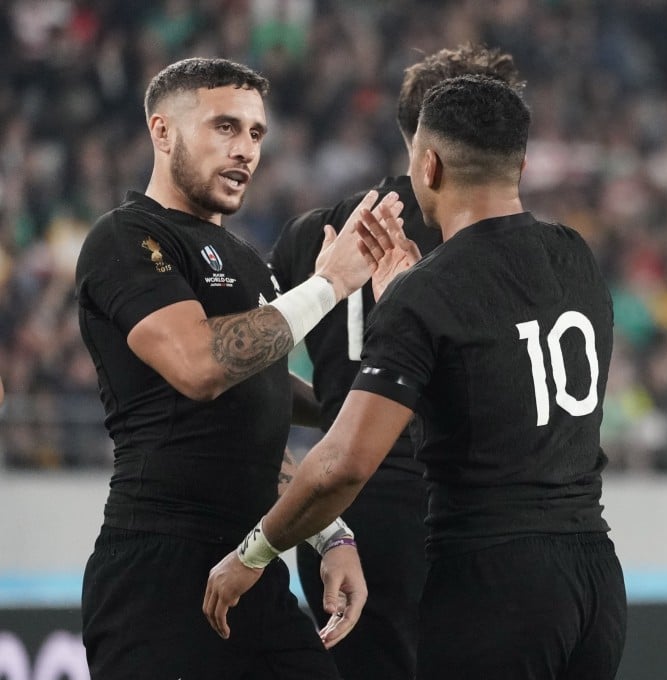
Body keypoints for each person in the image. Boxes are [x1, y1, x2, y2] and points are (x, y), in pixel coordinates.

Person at [205, 74, 627, 680]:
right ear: (521, 164)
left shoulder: (428, 292)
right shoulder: (575, 253)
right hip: (594, 576)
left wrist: (254, 553)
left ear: (427, 166)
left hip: (493, 581)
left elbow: (343, 464)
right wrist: (411, 298)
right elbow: (500, 375)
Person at [74, 57, 407, 679]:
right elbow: (200, 365)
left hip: (250, 567)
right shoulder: (126, 237)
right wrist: (329, 285)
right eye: (225, 127)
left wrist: (331, 534)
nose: (246, 149)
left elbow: (259, 416)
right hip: (157, 575)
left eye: (256, 133)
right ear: (162, 131)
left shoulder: (249, 262)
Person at [267, 43, 524, 680]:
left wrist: (333, 405)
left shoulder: (311, 232)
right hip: (455, 507)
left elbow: (258, 367)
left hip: (341, 512)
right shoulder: (494, 238)